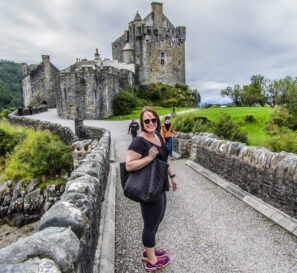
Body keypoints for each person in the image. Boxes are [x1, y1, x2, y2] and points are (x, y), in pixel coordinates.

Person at [125, 106, 177, 271]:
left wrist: (172, 176)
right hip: (148, 187)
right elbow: (129, 165)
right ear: (141, 123)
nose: (150, 123)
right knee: (150, 223)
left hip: (160, 185)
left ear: (157, 120)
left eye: (153, 119)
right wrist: (149, 157)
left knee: (158, 218)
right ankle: (151, 260)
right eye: (146, 121)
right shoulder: (139, 141)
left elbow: (165, 159)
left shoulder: (158, 137)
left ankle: (150, 249)